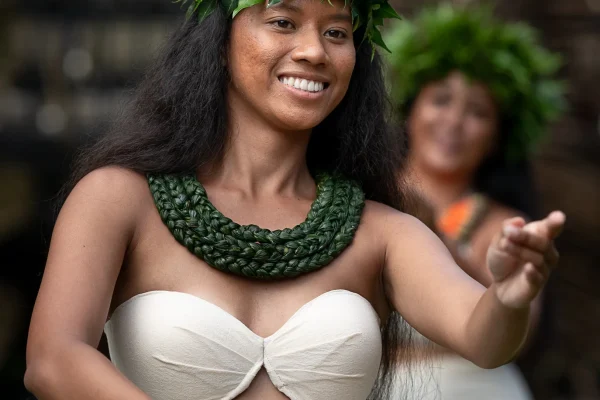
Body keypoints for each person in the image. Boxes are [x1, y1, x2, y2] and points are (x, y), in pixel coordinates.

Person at [24, 1, 565, 399]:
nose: (312, 51)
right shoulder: (120, 198)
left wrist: (509, 296)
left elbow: (483, 337)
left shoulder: (379, 231)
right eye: (283, 22)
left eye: (336, 31)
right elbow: (53, 359)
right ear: (220, 39)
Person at [384, 4, 566, 399]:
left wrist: (436, 239)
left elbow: (519, 335)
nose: (454, 122)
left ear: (497, 137)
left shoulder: (505, 227)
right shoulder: (359, 196)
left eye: (478, 112)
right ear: (410, 108)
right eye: (441, 100)